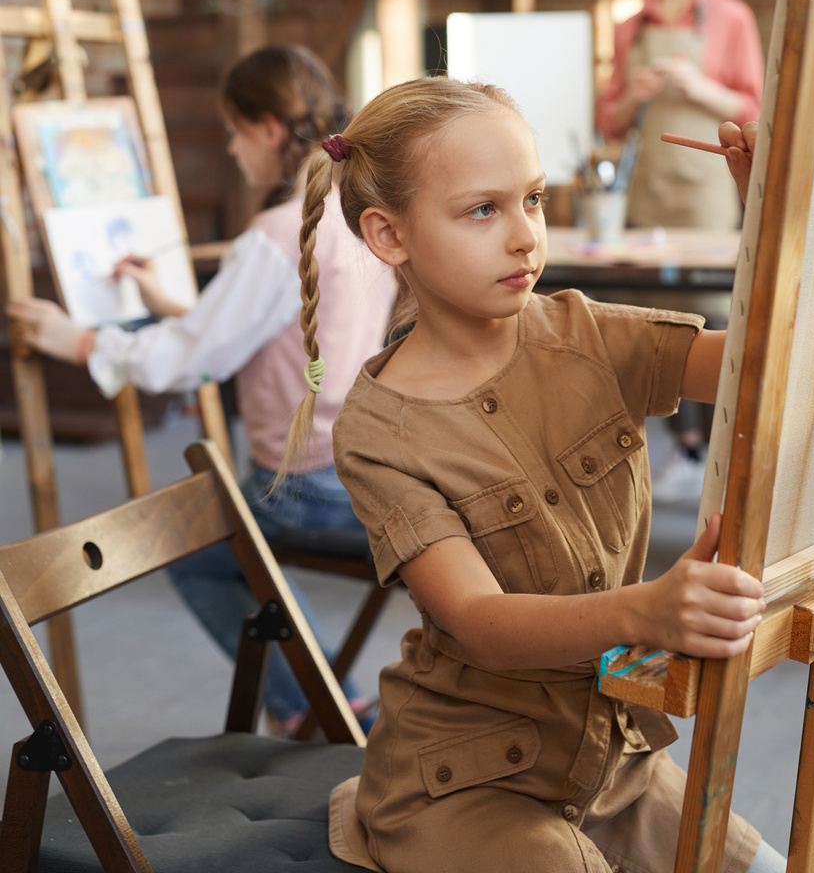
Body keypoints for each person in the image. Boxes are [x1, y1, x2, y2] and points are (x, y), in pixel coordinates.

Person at [282, 77, 783, 873]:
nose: (525, 237)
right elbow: (479, 620)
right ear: (388, 235)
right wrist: (646, 612)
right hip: (464, 782)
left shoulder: (583, 330)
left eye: (536, 200)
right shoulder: (378, 430)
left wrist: (775, 219)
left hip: (611, 764)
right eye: (484, 210)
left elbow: (758, 369)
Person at [8, 44, 396, 733]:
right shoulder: (353, 210)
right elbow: (262, 327)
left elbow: (186, 364)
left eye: (235, 131)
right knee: (235, 549)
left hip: (307, 484)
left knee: (196, 548)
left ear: (270, 129)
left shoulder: (280, 235)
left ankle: (314, 704)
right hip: (373, 465)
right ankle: (328, 696)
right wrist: (173, 306)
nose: (231, 148)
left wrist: (78, 340)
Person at [597, 0, 765, 503]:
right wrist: (634, 93)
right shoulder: (629, 23)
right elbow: (609, 120)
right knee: (647, 316)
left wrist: (699, 85)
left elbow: (754, 107)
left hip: (707, 192)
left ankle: (706, 452)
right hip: (647, 193)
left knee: (709, 311)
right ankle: (661, 450)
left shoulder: (730, 17)